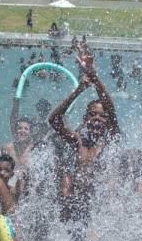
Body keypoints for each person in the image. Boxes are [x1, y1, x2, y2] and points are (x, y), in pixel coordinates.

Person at [48, 44, 120, 224]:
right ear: (85, 118)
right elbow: (54, 120)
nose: (97, 118)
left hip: (98, 208)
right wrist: (79, 90)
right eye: (92, 114)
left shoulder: (110, 139)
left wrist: (95, 78)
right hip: (73, 204)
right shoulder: (77, 141)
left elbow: (111, 108)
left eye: (102, 116)